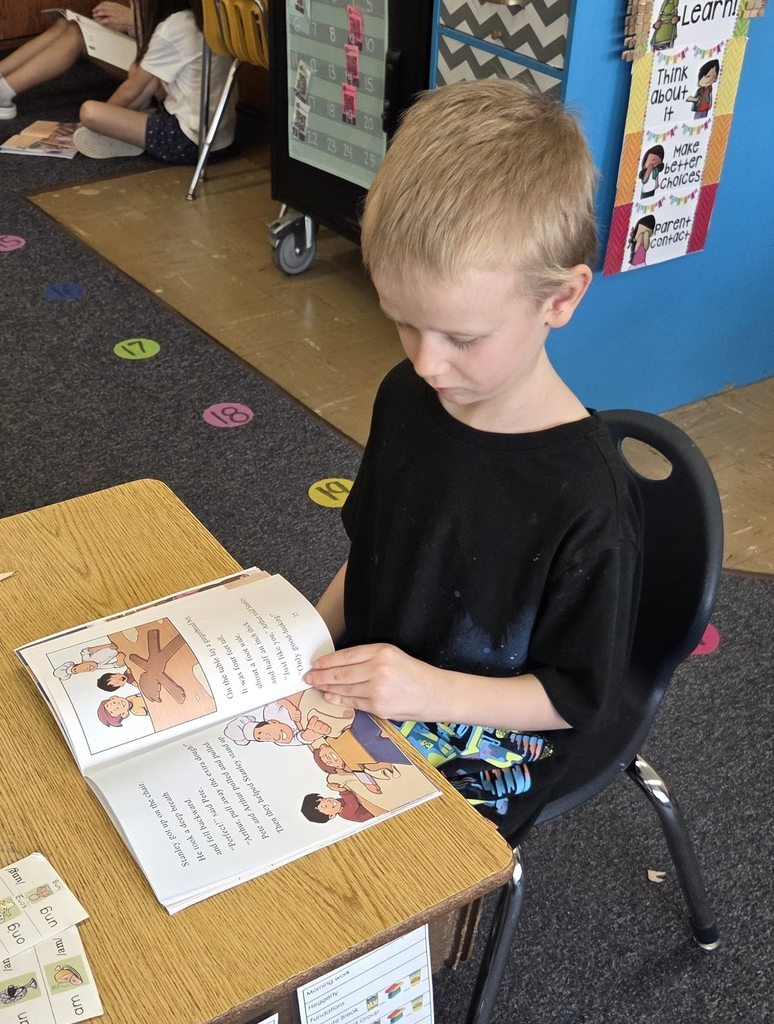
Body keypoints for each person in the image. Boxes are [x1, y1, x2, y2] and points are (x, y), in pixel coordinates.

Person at [303, 80, 643, 842]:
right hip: (380, 681)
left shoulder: (587, 500)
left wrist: (429, 691)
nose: (427, 364)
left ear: (560, 300)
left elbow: (571, 699)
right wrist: (303, 636)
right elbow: (372, 552)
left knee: (351, 868)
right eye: (404, 324)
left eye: (462, 338)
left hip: (490, 734)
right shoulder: (407, 396)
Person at [0, 3, 135, 120]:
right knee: (66, 24)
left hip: (152, 69)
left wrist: (131, 19)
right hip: (143, 43)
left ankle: (3, 93)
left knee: (77, 34)